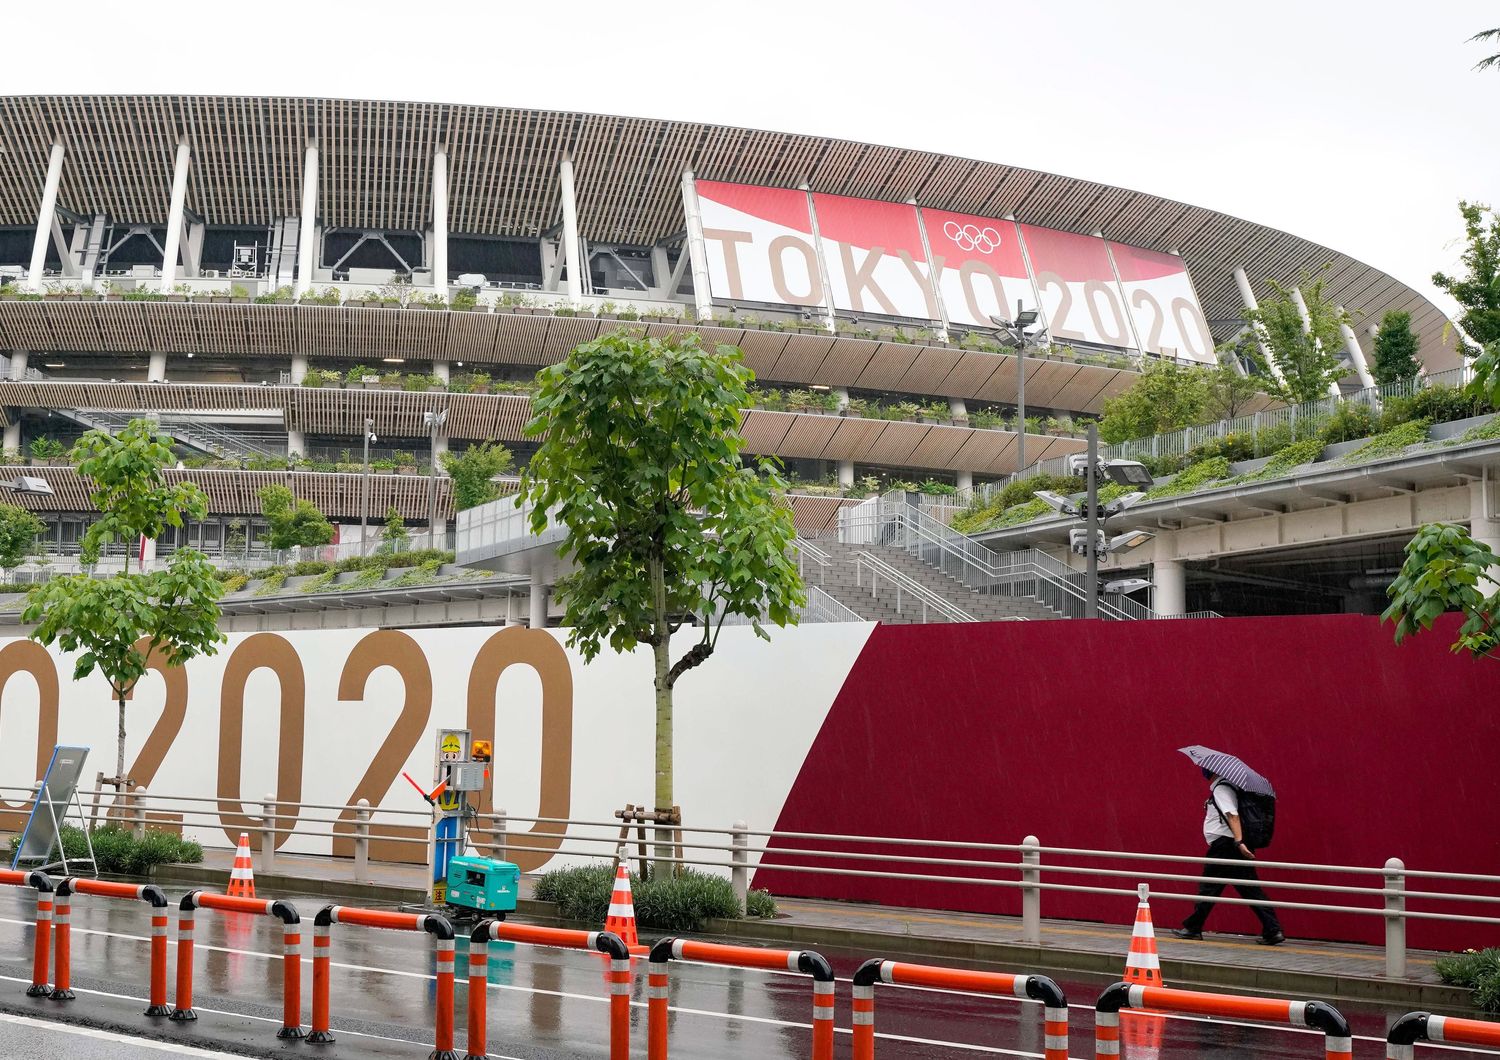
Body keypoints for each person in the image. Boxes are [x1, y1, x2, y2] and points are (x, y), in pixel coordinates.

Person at [1172, 768, 1284, 945]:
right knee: (1249, 889)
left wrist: (1239, 842)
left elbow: (1232, 815)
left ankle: (1193, 928)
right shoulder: (1231, 787)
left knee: (1209, 889)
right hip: (1231, 846)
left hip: (1225, 846)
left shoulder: (1222, 789)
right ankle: (1273, 929)